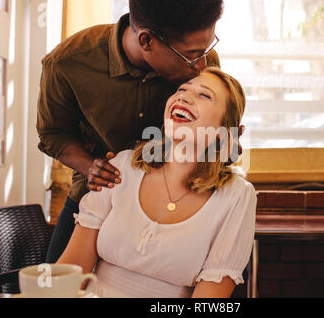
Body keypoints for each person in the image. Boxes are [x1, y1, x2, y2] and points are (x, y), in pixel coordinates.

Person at [37, 0, 225, 263]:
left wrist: (221, 143)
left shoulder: (201, 59)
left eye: (206, 50)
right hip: (95, 199)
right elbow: (53, 134)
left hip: (174, 204)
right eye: (191, 57)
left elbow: (214, 123)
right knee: (57, 287)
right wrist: (90, 166)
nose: (202, 67)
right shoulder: (67, 64)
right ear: (147, 41)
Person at [57, 67, 257, 298]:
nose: (183, 96)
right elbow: (72, 271)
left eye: (204, 95)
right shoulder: (123, 166)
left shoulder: (237, 196)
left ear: (225, 131)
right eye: (181, 89)